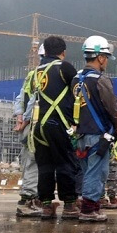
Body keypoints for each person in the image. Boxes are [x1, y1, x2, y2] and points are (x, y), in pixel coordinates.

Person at [31, 36, 80, 220]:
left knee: (45, 165)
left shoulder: (36, 71)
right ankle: (69, 204)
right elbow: (78, 93)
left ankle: (46, 205)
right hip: (58, 124)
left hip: (39, 125)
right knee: (65, 163)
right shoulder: (64, 67)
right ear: (63, 52)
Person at [73, 36, 117, 222]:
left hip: (80, 134)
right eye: (106, 57)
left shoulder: (76, 80)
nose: (106, 61)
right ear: (100, 57)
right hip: (98, 135)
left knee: (87, 171)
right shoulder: (101, 80)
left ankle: (90, 205)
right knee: (96, 172)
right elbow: (111, 107)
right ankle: (89, 209)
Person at [13, 44, 43, 217]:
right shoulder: (42, 76)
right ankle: (29, 198)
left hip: (27, 126)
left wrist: (19, 116)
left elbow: (20, 98)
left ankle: (29, 195)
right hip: (34, 125)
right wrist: (24, 119)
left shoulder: (31, 75)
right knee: (33, 162)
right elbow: (34, 100)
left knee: (27, 160)